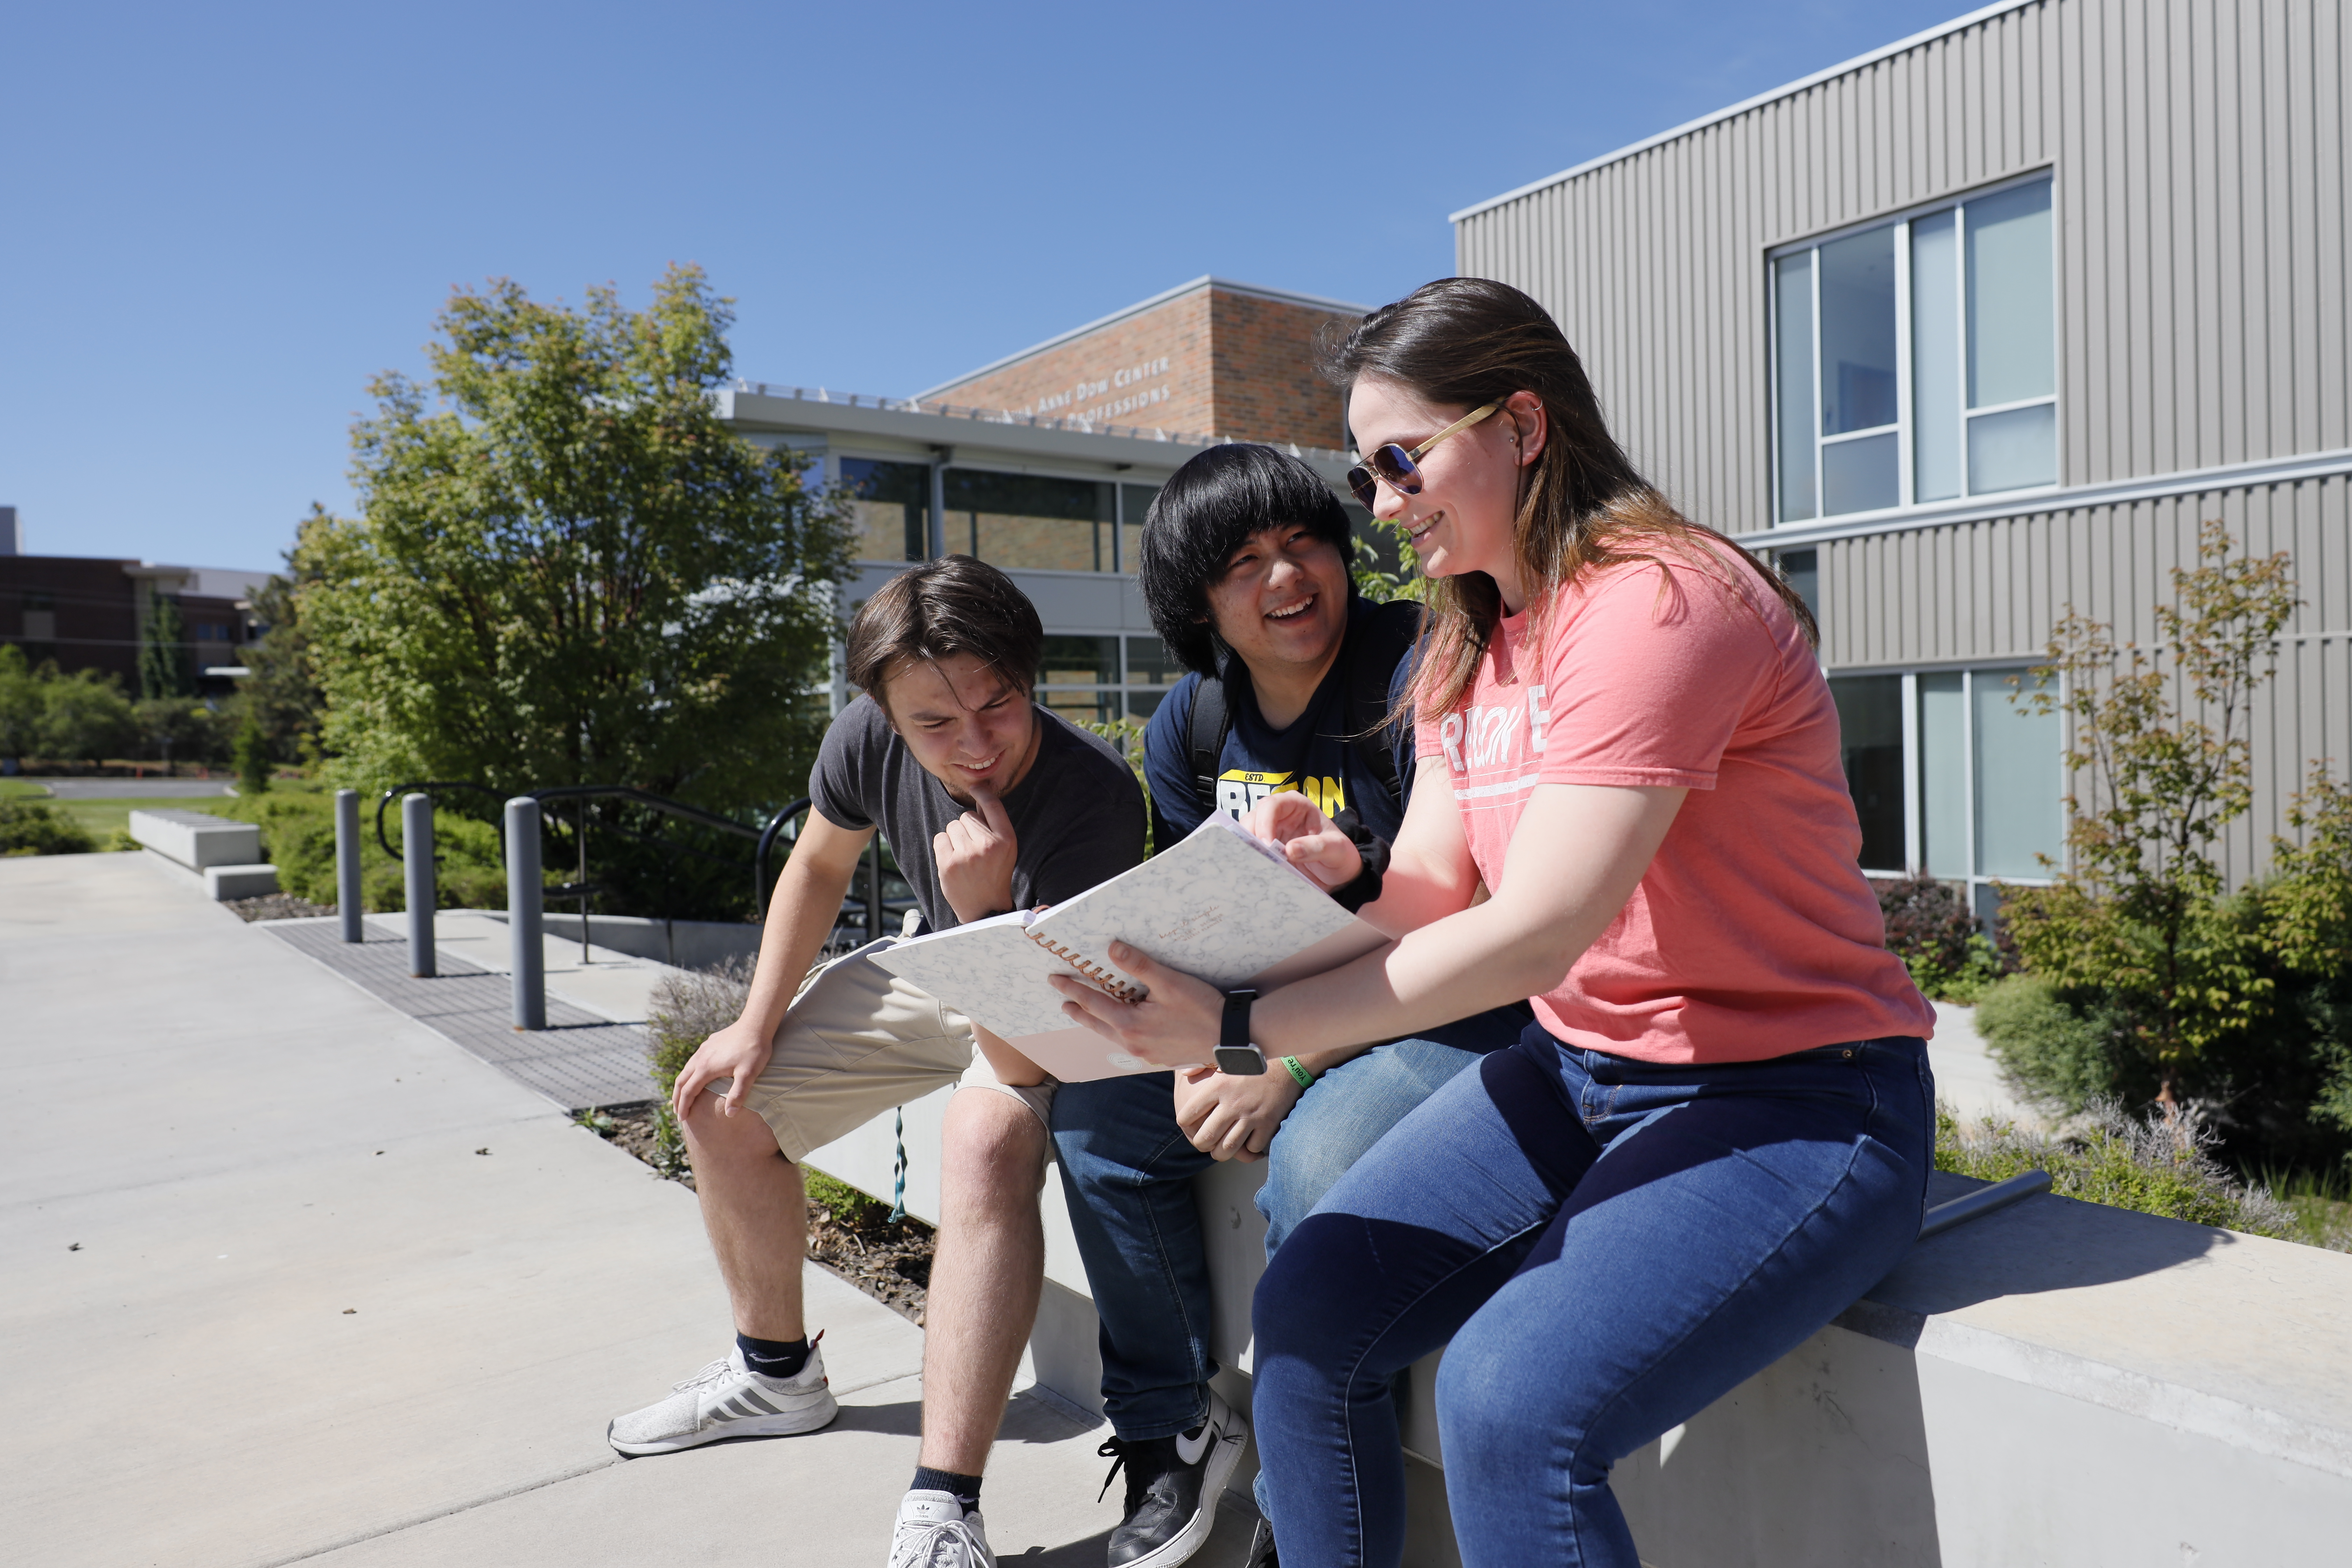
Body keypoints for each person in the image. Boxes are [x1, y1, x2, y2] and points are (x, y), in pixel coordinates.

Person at [1045, 278, 1937, 1568]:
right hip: (1580, 1071)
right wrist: (1281, 900)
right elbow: (1421, 897)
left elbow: (1536, 934)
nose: (1388, 506)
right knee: (1305, 1321)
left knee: (1507, 1404)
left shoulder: (1659, 603)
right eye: (1369, 480)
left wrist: (1246, 1027)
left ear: (1521, 425)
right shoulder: (1469, 639)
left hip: (1796, 1097)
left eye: (1402, 462)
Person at [606, 556, 1147, 1568]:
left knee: (985, 1139)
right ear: (885, 713)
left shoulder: (1094, 800)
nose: (976, 745)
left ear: (1029, 678)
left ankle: (946, 1506)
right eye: (935, 726)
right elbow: (818, 862)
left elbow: (1025, 1048)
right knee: (725, 1098)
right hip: (936, 959)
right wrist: (754, 1022)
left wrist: (986, 913)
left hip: (1050, 994)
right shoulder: (866, 734)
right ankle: (775, 1375)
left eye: (1000, 705)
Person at [1047, 442, 1528, 1568]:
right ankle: (1174, 1427)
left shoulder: (1425, 659)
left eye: (1303, 541)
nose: (1286, 577)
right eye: (1244, 561)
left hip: (1450, 1002)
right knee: (1100, 1125)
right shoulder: (1193, 722)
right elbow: (1204, 915)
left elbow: (1478, 908)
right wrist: (1184, 1030)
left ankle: (1301, 1495)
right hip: (1274, 1008)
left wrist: (1289, 1062)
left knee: (1315, 1163)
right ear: (1197, 600)